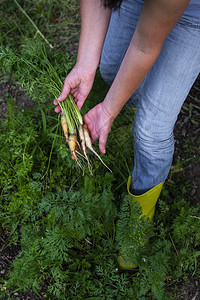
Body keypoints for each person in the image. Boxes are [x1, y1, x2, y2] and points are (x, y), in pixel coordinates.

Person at [54, 0, 200, 270]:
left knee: (150, 131)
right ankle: (145, 91)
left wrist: (108, 110)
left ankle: (139, 216)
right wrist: (85, 64)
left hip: (193, 16)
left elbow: (145, 47)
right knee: (111, 69)